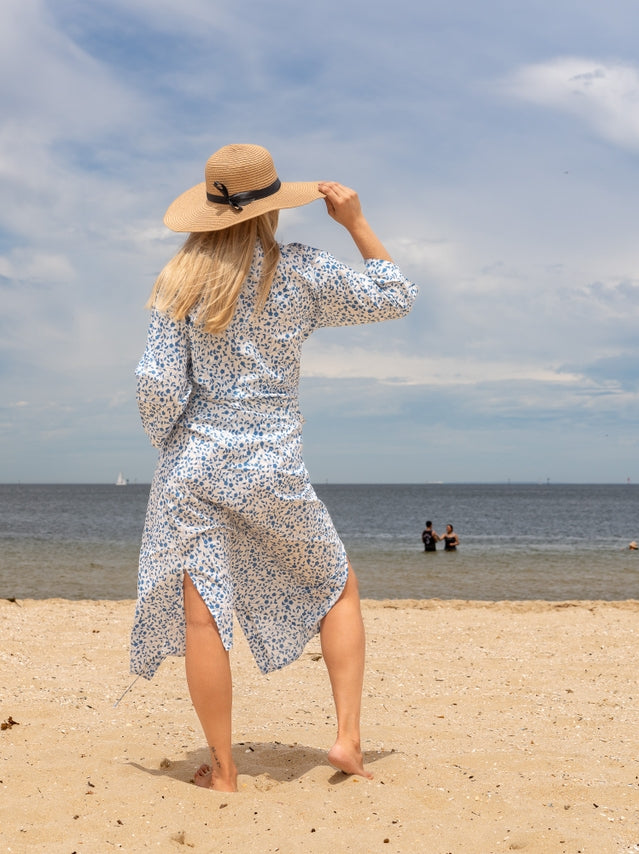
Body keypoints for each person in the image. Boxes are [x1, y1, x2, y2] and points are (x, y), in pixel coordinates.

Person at [131, 143, 418, 792]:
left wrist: (172, 441)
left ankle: (225, 771)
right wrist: (356, 223)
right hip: (272, 464)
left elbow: (156, 383)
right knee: (336, 587)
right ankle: (347, 739)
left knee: (203, 616)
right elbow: (394, 295)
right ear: (272, 207)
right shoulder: (299, 271)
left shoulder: (179, 280)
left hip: (195, 462)